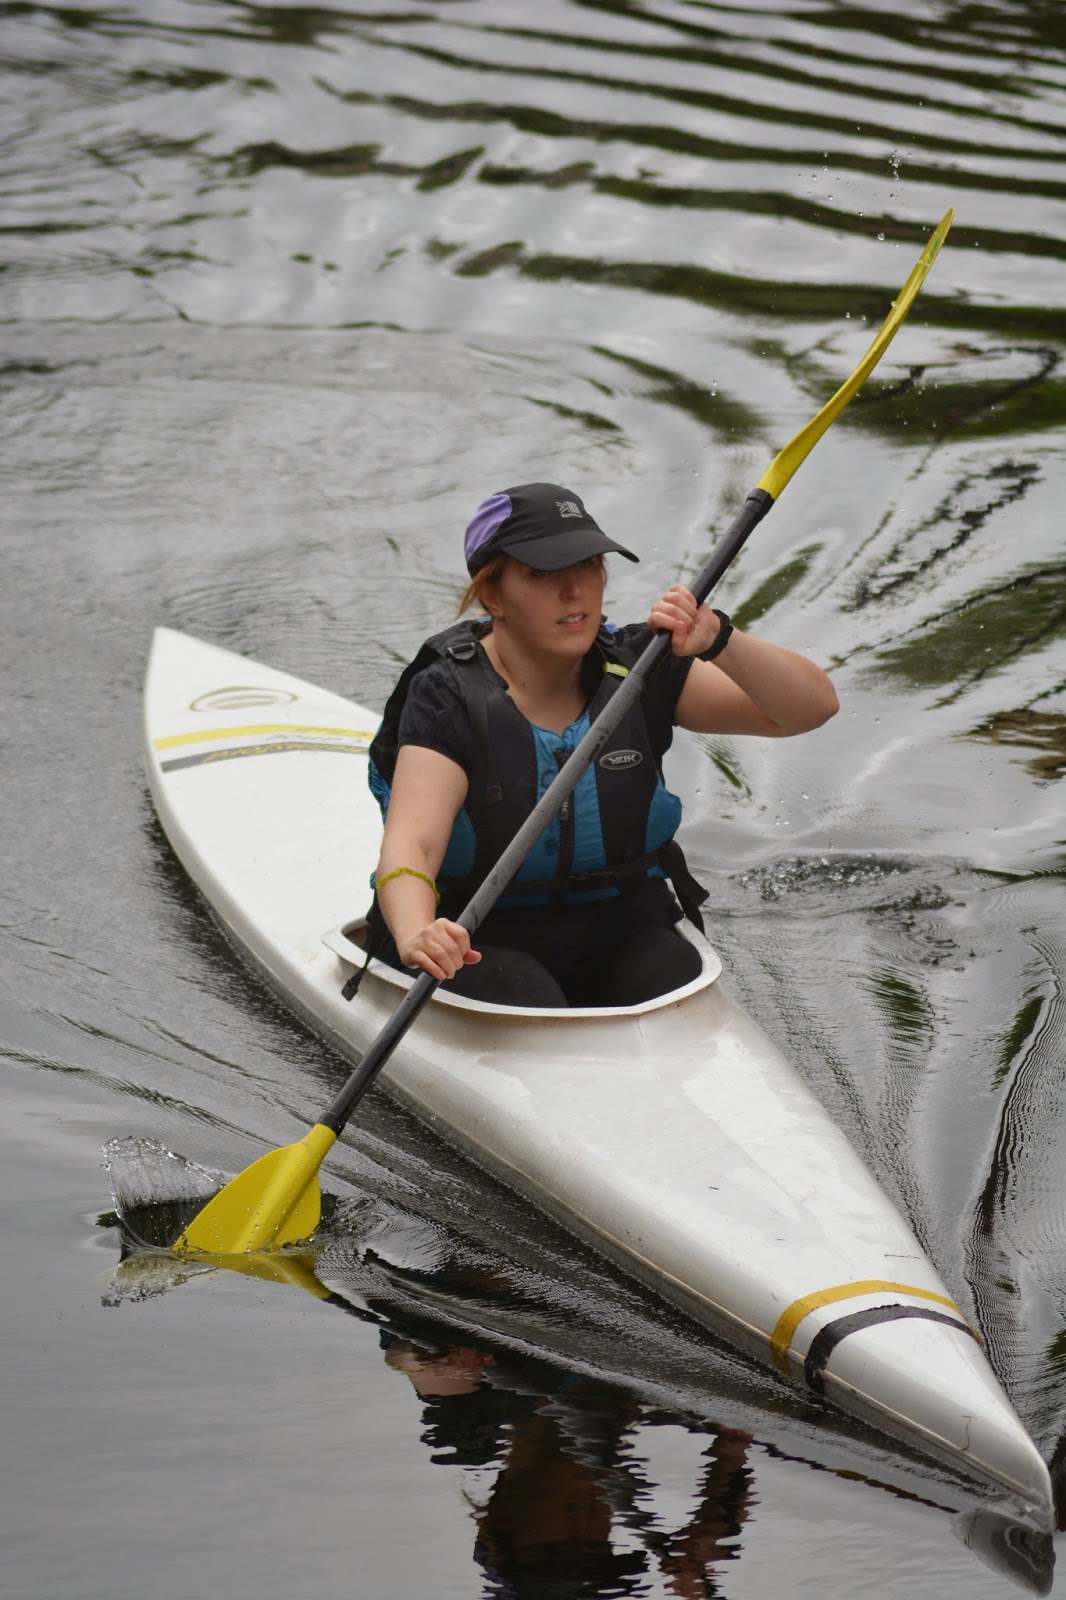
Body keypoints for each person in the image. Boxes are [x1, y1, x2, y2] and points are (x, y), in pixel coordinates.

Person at [362, 482, 837, 1008]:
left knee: (674, 971)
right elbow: (413, 846)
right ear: (492, 594)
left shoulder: (640, 668)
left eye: (589, 565)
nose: (575, 590)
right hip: (473, 937)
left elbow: (808, 710)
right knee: (526, 992)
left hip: (615, 923)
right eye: (542, 573)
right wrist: (415, 933)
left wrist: (720, 639)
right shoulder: (447, 695)